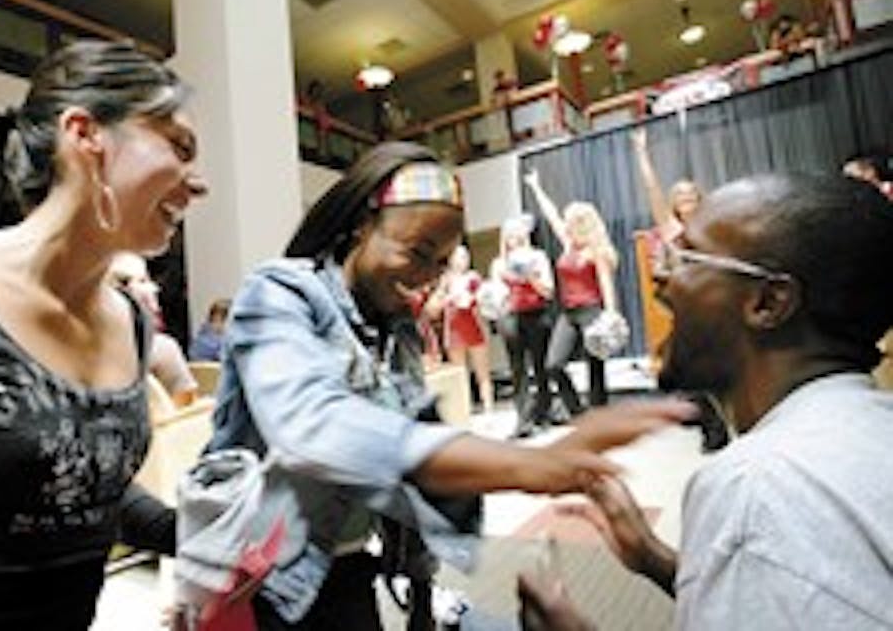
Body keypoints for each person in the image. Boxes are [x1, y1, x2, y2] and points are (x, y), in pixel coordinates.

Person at [205, 141, 693, 630]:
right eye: (417, 252)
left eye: (441, 263)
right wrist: (532, 464)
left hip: (346, 565)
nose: (427, 279)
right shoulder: (277, 293)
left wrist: (420, 592)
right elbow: (314, 426)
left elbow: (413, 481)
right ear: (361, 224)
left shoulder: (395, 329)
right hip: (257, 576)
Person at [0, 40, 207, 629]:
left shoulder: (131, 324)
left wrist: (204, 534)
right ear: (85, 133)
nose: (199, 184)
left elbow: (82, 485)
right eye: (179, 147)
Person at [519, 173, 893, 630]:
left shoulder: (752, 490)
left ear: (767, 302)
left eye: (685, 258)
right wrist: (654, 558)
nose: (659, 275)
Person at [632, 126, 730, 453]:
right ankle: (712, 427)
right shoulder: (671, 230)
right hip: (688, 311)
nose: (686, 201)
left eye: (691, 195)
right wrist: (642, 153)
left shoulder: (714, 225)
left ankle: (721, 425)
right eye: (681, 197)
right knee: (683, 373)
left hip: (717, 307)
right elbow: (652, 190)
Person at [524, 171, 620, 416]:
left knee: (595, 370)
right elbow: (551, 214)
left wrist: (610, 316)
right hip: (568, 312)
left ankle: (599, 416)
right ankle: (577, 412)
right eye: (566, 220)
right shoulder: (568, 244)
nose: (565, 224)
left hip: (591, 311)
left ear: (582, 223)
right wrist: (536, 187)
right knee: (553, 364)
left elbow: (606, 284)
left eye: (571, 221)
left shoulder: (596, 250)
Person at [490, 213, 556, 437]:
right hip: (512, 316)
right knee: (517, 369)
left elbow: (548, 291)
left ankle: (544, 413)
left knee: (541, 366)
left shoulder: (538, 257)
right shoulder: (498, 264)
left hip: (537, 313)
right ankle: (523, 420)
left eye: (517, 234)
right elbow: (497, 296)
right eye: (509, 236)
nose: (513, 239)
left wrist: (530, 278)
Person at [108, 251, 199, 407]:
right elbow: (186, 410)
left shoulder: (73, 355)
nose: (155, 288)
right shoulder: (161, 349)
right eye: (144, 280)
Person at [427, 245, 495, 413]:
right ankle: (466, 410)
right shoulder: (446, 280)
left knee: (483, 372)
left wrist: (474, 298)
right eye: (459, 257)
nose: (462, 261)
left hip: (474, 326)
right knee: (460, 374)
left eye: (465, 257)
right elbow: (434, 308)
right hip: (454, 330)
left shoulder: (473, 277)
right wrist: (448, 297)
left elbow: (485, 302)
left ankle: (489, 408)